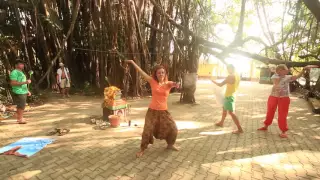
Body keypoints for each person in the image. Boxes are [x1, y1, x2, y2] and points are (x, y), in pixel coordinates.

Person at [125, 60, 180, 158]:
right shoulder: (152, 81)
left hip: (164, 112)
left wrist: (176, 85)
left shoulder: (168, 83)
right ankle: (142, 149)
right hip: (152, 111)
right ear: (156, 74)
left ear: (165, 73)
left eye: (163, 72)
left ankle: (170, 145)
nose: (161, 74)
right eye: (159, 72)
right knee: (147, 131)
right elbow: (141, 72)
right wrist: (132, 62)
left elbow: (175, 84)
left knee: (173, 128)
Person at [258, 64, 314, 138]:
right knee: (270, 111)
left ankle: (283, 131)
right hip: (273, 97)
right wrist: (278, 79)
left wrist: (303, 70)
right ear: (280, 71)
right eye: (285, 70)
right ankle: (266, 126)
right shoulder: (275, 76)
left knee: (282, 114)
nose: (287, 71)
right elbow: (276, 82)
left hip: (284, 98)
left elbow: (297, 76)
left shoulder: (288, 77)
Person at [211, 64, 243, 134]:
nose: (227, 71)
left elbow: (220, 84)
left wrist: (213, 81)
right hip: (231, 94)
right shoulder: (237, 75)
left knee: (231, 112)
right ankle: (221, 122)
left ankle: (240, 129)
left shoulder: (230, 76)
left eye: (228, 69)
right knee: (224, 109)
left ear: (231, 69)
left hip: (229, 96)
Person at [10, 60, 31, 124]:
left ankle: (19, 118)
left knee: (21, 105)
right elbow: (13, 83)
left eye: (23, 64)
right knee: (21, 106)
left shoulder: (21, 72)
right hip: (18, 91)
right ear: (16, 65)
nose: (22, 65)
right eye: (20, 64)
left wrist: (27, 90)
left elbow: (24, 84)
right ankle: (20, 119)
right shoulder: (14, 72)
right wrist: (25, 82)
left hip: (23, 91)